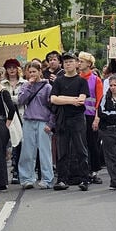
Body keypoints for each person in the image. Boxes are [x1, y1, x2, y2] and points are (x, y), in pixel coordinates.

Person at [50, 52, 91, 191]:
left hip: (77, 118)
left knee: (81, 149)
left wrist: (64, 98)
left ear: (76, 63)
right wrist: (71, 100)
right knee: (62, 150)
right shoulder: (59, 81)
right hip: (62, 119)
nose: (68, 64)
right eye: (65, 62)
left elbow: (81, 100)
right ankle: (62, 179)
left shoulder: (81, 81)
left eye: (70, 61)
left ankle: (84, 179)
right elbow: (53, 99)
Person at [16, 60, 54, 189]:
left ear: (40, 72)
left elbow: (53, 107)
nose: (32, 74)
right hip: (28, 120)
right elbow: (20, 101)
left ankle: (47, 179)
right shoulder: (26, 85)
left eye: (34, 71)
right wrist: (28, 86)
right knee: (27, 151)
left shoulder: (47, 87)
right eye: (30, 72)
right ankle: (27, 178)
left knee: (44, 152)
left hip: (43, 122)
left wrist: (51, 123)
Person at [93, 74, 116, 191]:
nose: (113, 87)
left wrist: (112, 114)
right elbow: (102, 113)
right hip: (107, 130)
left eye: (115, 85)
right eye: (111, 85)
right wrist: (114, 114)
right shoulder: (105, 98)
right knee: (112, 157)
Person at [77, 51, 103, 184]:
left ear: (89, 64)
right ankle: (83, 170)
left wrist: (97, 117)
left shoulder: (96, 79)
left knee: (93, 144)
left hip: (91, 116)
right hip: (78, 116)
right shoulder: (77, 78)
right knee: (81, 144)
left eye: (81, 61)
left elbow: (99, 99)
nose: (79, 63)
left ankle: (94, 171)